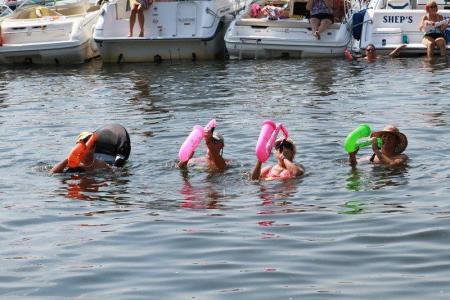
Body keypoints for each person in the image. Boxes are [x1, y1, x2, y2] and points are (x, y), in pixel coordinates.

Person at [51, 124, 131, 173]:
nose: (88, 147)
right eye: (84, 143)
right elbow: (52, 173)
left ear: (94, 147)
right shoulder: (74, 163)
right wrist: (68, 158)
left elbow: (115, 171)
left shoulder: (100, 164)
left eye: (92, 145)